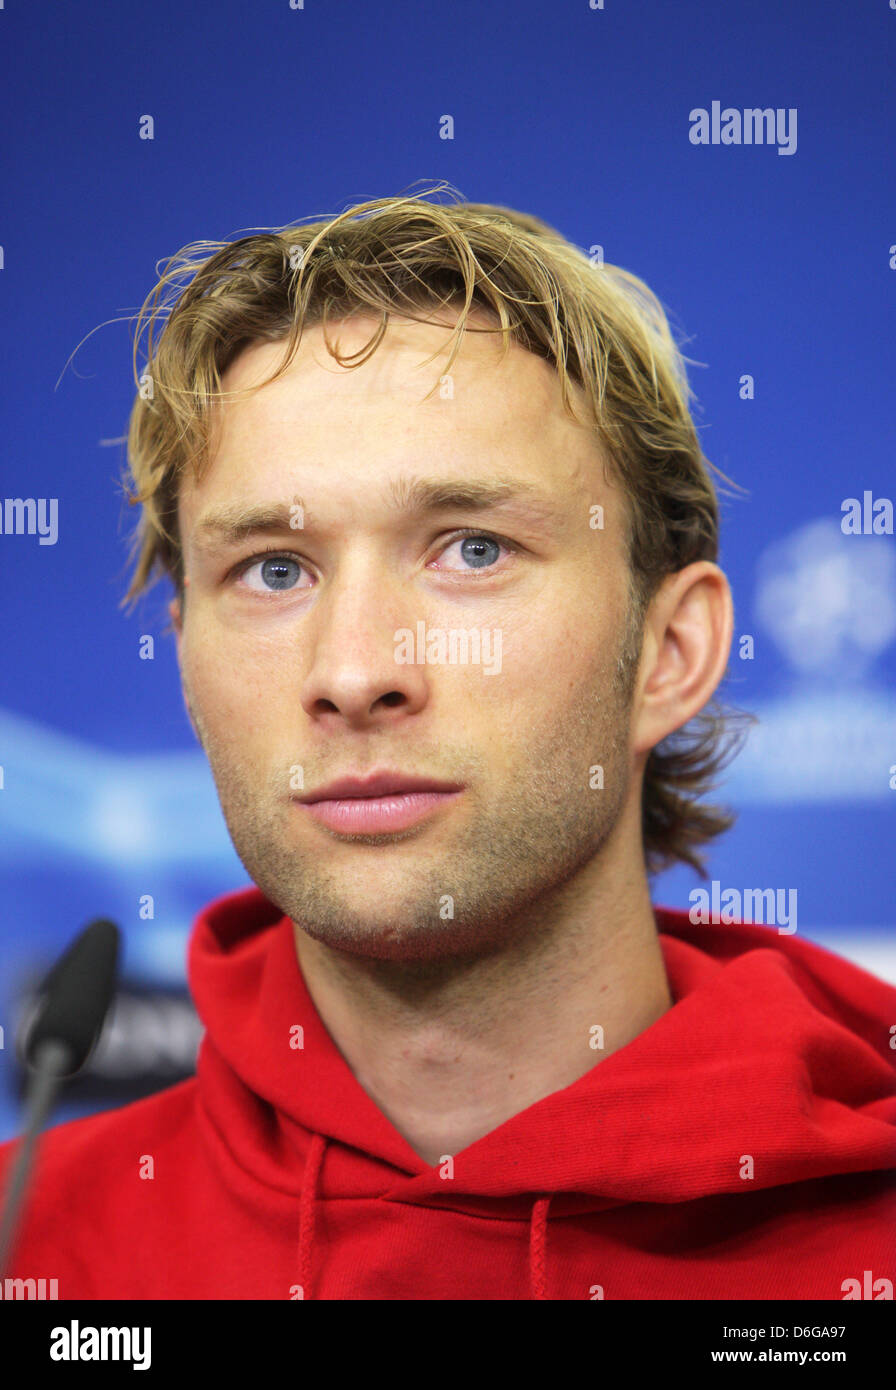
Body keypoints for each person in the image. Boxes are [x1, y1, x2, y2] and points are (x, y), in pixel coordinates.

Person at [1, 188, 893, 1300]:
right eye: (274, 569)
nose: (355, 670)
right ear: (183, 660)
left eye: (470, 549)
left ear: (667, 652)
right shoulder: (29, 1250)